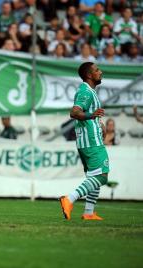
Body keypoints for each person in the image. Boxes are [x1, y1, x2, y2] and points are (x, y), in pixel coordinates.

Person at [60, 62, 109, 221]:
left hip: (86, 140)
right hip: (91, 141)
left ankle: (89, 212)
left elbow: (87, 114)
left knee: (93, 177)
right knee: (102, 176)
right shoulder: (85, 91)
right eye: (97, 70)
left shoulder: (89, 91)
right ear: (89, 75)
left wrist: (98, 122)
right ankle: (69, 199)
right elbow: (74, 112)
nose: (100, 72)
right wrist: (92, 116)